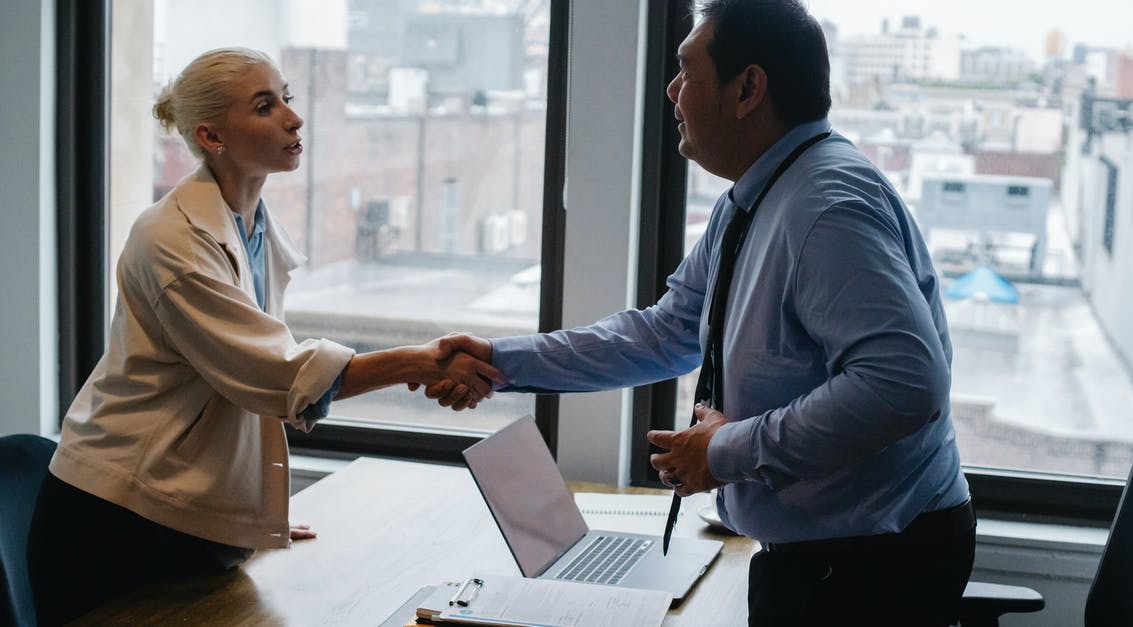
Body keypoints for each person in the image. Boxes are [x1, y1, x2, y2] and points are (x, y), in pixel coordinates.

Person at [432, 1, 974, 624]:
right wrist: (500, 362)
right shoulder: (756, 197)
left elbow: (904, 386)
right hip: (826, 554)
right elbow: (666, 333)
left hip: (868, 567)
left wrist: (724, 452)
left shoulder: (827, 208)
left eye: (687, 71)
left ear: (747, 89)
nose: (671, 90)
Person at [25, 47, 501, 626]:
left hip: (181, 509)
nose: (293, 119)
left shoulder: (249, 222)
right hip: (119, 518)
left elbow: (247, 380)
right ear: (211, 135)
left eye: (287, 99)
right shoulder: (171, 240)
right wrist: (422, 363)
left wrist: (246, 512)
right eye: (264, 106)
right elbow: (273, 375)